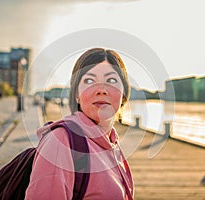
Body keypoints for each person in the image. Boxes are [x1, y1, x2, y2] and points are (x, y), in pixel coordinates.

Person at [25, 48, 134, 199]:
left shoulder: (111, 141)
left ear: (124, 93)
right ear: (76, 94)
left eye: (111, 80)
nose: (101, 90)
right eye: (89, 81)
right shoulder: (61, 143)